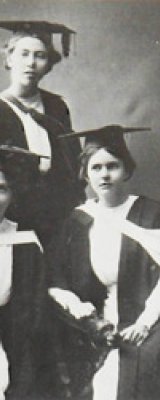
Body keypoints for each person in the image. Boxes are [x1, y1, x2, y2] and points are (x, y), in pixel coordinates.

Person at [47, 125, 160, 400]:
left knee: (144, 363)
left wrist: (145, 322)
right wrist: (88, 318)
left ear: (126, 169)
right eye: (96, 167)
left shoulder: (153, 214)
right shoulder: (77, 221)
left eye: (112, 166)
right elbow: (57, 279)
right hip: (99, 323)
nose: (104, 175)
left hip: (156, 317)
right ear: (85, 174)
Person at [0, 21, 83, 245]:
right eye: (24, 54)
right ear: (9, 59)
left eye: (40, 56)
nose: (31, 63)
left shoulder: (57, 106)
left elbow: (70, 160)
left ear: (48, 64)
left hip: (56, 213)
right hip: (14, 216)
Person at [0, 145, 47, 400]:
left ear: (13, 195)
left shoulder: (24, 242)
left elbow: (31, 316)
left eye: (1, 189)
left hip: (11, 342)